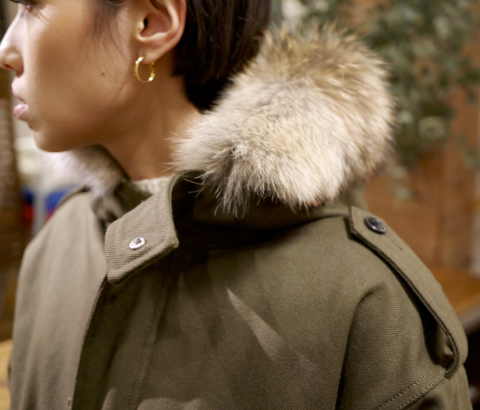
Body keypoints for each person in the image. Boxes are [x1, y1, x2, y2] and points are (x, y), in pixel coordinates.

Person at [0, 0, 473, 408]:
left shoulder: (368, 302)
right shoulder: (57, 247)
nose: (6, 51)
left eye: (30, 6)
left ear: (151, 24)